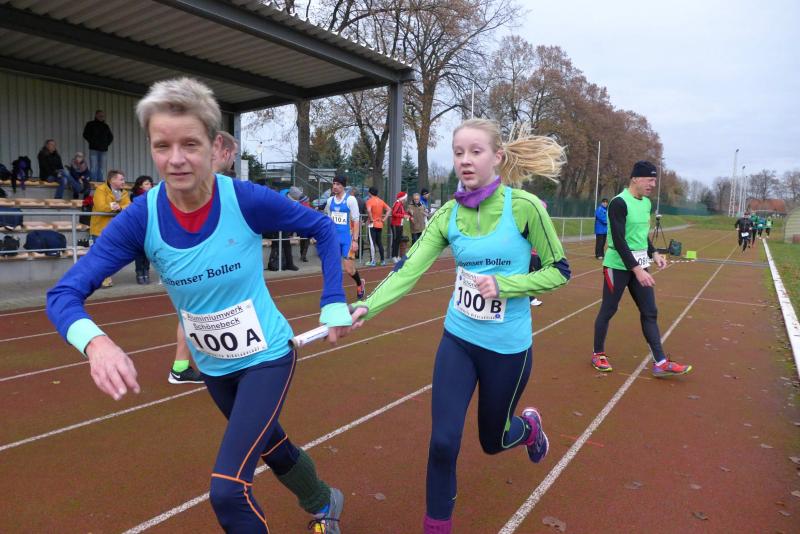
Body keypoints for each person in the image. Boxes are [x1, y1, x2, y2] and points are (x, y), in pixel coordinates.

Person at [47, 77, 356, 534]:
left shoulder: (244, 200)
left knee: (228, 490)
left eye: (190, 144)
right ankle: (323, 499)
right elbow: (63, 294)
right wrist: (96, 343)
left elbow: (323, 229)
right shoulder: (141, 217)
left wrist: (332, 301)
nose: (176, 159)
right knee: (271, 445)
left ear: (214, 146)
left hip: (267, 357)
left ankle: (319, 501)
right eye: (162, 145)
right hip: (214, 367)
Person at [348, 118, 571, 534]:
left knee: (492, 441)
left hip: (507, 349)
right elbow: (408, 269)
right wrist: (366, 306)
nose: (465, 160)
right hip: (459, 340)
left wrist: (506, 285)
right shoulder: (448, 214)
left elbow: (560, 271)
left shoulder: (524, 207)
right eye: (458, 153)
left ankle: (528, 430)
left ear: (497, 157)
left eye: (475, 152)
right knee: (443, 442)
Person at [591, 160, 692, 377]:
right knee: (609, 309)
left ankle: (660, 362)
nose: (653, 185)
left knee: (650, 311)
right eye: (649, 180)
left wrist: (654, 253)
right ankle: (598, 353)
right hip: (617, 266)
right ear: (635, 178)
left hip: (640, 264)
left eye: (654, 180)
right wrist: (637, 270)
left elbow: (641, 235)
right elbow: (619, 240)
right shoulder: (619, 203)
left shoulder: (646, 203)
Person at [324, 175, 366, 299]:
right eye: (334, 184)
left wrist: (355, 240)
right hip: (333, 240)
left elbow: (356, 221)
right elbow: (328, 220)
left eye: (338, 184)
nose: (335, 186)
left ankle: (360, 283)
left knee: (349, 269)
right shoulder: (330, 201)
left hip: (347, 239)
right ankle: (334, 292)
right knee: (332, 267)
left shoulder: (350, 200)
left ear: (343, 186)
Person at [90, 170, 131, 288]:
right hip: (99, 229)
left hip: (115, 230)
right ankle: (101, 279)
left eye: (123, 179)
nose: (123, 182)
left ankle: (104, 278)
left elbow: (129, 205)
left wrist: (119, 207)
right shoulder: (101, 190)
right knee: (99, 255)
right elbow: (101, 207)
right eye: (121, 179)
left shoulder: (124, 192)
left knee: (110, 255)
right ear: (112, 180)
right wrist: (115, 207)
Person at [130, 176, 154, 284]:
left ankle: (146, 272)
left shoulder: (152, 196)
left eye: (150, 183)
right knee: (139, 251)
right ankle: (139, 273)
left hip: (149, 226)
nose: (150, 185)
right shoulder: (134, 196)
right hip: (138, 226)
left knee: (147, 251)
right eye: (147, 184)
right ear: (140, 185)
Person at [83, 110, 114, 182]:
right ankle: (93, 181)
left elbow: (111, 137)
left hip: (103, 150)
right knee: (93, 166)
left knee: (101, 167)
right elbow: (85, 134)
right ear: (96, 115)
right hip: (93, 149)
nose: (101, 117)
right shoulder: (90, 124)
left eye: (103, 116)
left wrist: (106, 144)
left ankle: (100, 181)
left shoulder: (105, 126)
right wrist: (92, 141)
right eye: (100, 116)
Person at [365, 186, 390, 266]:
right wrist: (384, 219)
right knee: (379, 242)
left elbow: (369, 210)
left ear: (370, 193)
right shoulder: (381, 201)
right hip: (380, 224)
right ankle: (382, 260)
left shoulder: (369, 201)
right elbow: (389, 209)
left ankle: (373, 261)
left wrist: (371, 219)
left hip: (372, 224)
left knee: (372, 243)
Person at [390, 191, 408, 262]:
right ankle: (394, 256)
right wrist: (403, 215)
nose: (406, 200)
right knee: (395, 240)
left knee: (398, 240)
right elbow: (394, 213)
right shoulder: (397, 203)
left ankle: (396, 255)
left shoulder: (401, 204)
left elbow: (402, 213)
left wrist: (407, 215)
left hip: (400, 224)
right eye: (405, 198)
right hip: (395, 225)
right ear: (402, 198)